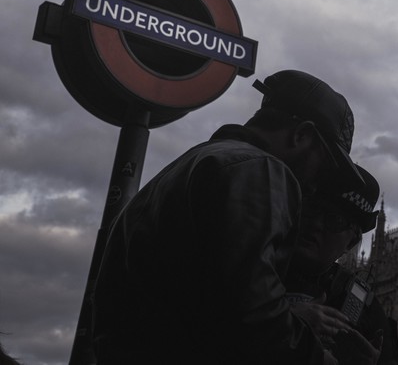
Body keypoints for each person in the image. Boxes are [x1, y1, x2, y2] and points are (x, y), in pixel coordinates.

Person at [93, 69, 362, 365]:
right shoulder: (260, 170)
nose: (315, 184)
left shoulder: (198, 162)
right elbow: (251, 313)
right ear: (301, 135)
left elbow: (211, 301)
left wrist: (290, 319)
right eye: (324, 163)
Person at [286, 163, 398, 365]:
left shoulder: (364, 307)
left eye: (335, 220)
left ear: (352, 242)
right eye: (311, 210)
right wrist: (285, 324)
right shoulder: (253, 270)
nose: (315, 224)